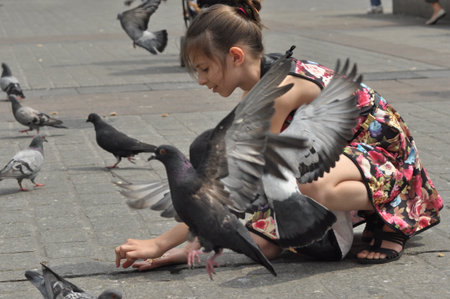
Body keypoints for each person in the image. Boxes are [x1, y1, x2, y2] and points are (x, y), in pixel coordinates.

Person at [115, 0, 443, 270]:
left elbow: (229, 187)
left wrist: (161, 241)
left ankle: (394, 209)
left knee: (311, 187)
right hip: (341, 156)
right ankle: (370, 207)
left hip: (385, 156)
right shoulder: (259, 90)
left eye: (204, 68)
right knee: (267, 236)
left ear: (236, 56)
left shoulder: (275, 95)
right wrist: (189, 247)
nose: (201, 80)